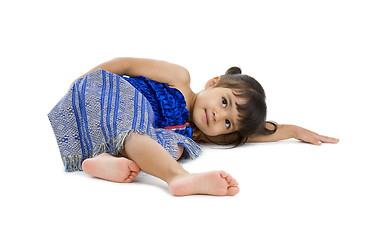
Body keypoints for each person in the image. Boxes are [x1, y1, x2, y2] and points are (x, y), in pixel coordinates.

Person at [48, 57, 338, 196]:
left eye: (227, 123)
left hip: (116, 133)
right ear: (213, 83)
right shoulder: (179, 79)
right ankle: (178, 178)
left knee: (175, 146)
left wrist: (294, 130)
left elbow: (253, 132)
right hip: (104, 93)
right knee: (137, 124)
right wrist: (82, 81)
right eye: (224, 102)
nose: (218, 115)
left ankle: (104, 159)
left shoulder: (191, 131)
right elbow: (125, 65)